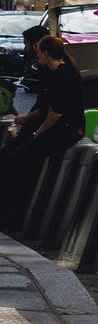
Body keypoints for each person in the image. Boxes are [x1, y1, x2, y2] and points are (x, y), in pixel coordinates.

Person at [0, 37, 85, 223]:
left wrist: (36, 134)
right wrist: (26, 121)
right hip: (54, 125)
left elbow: (56, 113)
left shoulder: (65, 75)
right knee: (8, 153)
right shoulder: (52, 74)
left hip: (66, 129)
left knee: (20, 158)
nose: (36, 55)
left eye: (39, 52)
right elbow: (45, 108)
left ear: (46, 53)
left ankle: (14, 213)